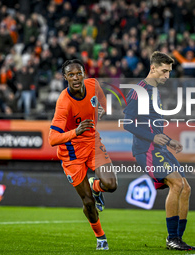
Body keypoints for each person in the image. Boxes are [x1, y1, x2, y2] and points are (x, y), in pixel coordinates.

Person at [123, 51, 195, 251]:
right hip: (145, 149)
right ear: (153, 68)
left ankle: (177, 239)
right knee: (176, 183)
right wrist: (153, 138)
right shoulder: (140, 90)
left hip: (159, 147)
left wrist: (169, 140)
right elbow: (127, 123)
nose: (167, 76)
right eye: (164, 71)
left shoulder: (155, 91)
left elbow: (152, 127)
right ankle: (172, 238)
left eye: (169, 72)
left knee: (186, 188)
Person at [48, 59, 117, 250]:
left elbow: (102, 102)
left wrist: (101, 110)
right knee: (87, 202)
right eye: (71, 75)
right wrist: (76, 132)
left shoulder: (93, 85)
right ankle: (100, 237)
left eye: (78, 73)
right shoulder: (64, 102)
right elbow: (52, 139)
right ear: (65, 78)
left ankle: (96, 187)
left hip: (93, 143)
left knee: (111, 185)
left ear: (84, 73)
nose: (76, 78)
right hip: (71, 154)